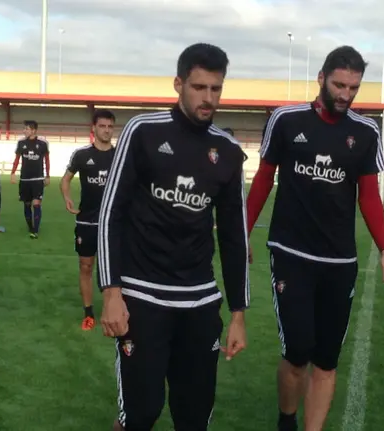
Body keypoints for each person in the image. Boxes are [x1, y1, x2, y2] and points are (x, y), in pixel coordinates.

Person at [245, 46, 384, 431]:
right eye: (339, 85)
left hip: (339, 261)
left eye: (354, 87)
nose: (346, 94)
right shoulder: (285, 120)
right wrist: (240, 233)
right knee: (297, 352)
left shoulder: (365, 132)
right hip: (290, 252)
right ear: (321, 78)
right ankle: (287, 420)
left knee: (327, 360)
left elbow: (368, 195)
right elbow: (264, 179)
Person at [97, 43, 250, 430]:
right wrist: (112, 293)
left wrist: (238, 314)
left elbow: (234, 237)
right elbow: (110, 213)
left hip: (199, 302)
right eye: (199, 87)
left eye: (216, 89)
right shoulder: (143, 131)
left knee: (194, 418)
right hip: (143, 297)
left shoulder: (228, 151)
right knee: (140, 413)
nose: (208, 98)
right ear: (178, 84)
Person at [59, 109, 117, 331]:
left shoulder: (120, 155)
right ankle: (88, 313)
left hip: (113, 223)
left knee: (113, 269)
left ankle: (112, 310)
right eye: (102, 126)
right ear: (94, 128)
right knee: (86, 266)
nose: (106, 130)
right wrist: (67, 198)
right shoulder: (82, 155)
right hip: (87, 222)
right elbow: (65, 180)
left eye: (110, 126)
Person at [10, 120, 50, 239]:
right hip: (24, 180)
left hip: (38, 179)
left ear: (33, 130)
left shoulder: (43, 144)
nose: (24, 131)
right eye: (24, 129)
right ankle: (30, 227)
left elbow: (47, 160)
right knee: (27, 204)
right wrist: (13, 173)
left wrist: (47, 175)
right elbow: (17, 159)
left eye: (26, 129)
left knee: (36, 204)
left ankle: (35, 231)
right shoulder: (21, 143)